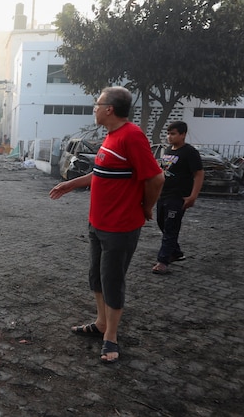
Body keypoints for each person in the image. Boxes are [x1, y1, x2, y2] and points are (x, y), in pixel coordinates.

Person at [49, 86, 164, 364]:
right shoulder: (111, 137)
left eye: (97, 104)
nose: (95, 108)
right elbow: (99, 173)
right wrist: (70, 184)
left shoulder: (131, 136)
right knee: (97, 277)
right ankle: (100, 323)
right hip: (98, 222)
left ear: (110, 109)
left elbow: (156, 178)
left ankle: (110, 337)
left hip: (120, 226)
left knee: (112, 281)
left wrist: (146, 207)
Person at [152, 121, 204, 275]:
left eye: (173, 134)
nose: (169, 137)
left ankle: (163, 261)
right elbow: (163, 171)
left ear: (183, 134)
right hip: (164, 195)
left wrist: (193, 196)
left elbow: (199, 174)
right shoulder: (168, 150)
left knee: (171, 227)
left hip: (178, 196)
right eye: (168, 133)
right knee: (162, 223)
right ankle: (175, 252)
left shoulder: (189, 152)